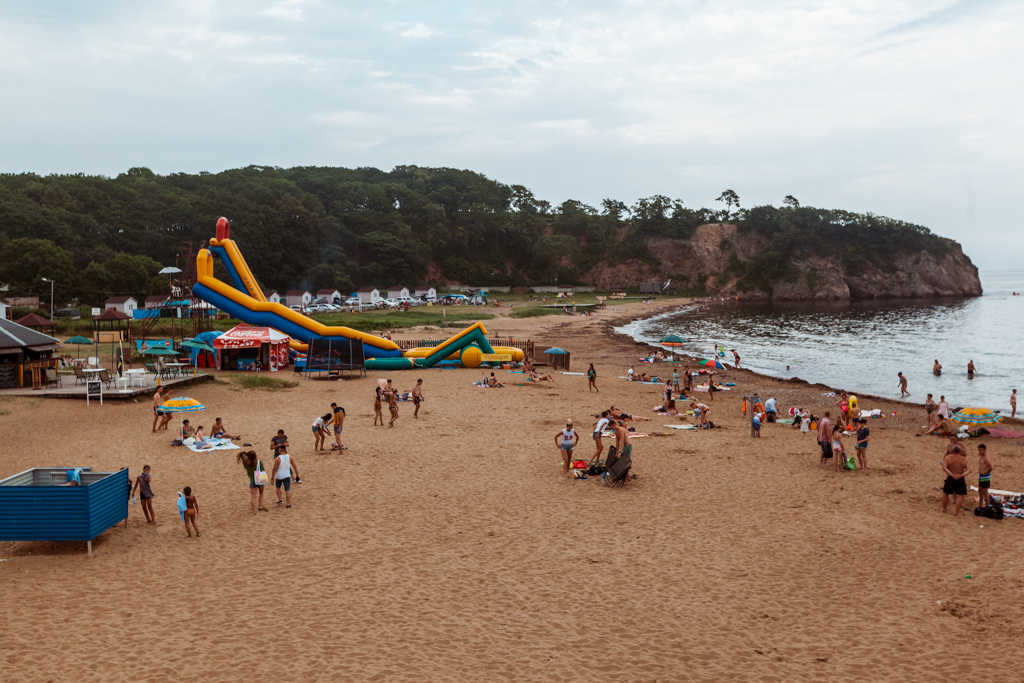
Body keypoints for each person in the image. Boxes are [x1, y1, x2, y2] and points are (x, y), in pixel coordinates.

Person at [940, 445, 970, 515]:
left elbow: (944, 468)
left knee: (945, 493)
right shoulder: (964, 459)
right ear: (960, 451)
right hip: (960, 478)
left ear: (952, 450)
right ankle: (956, 512)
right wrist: (961, 475)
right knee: (960, 495)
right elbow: (968, 470)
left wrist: (951, 474)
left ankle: (944, 508)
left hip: (951, 478)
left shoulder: (948, 457)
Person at [237, 450, 268, 514]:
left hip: (252, 480)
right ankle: (260, 506)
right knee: (261, 493)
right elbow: (263, 471)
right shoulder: (259, 462)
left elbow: (244, 461)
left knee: (253, 496)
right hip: (260, 480)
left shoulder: (246, 464)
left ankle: (253, 510)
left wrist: (243, 454)